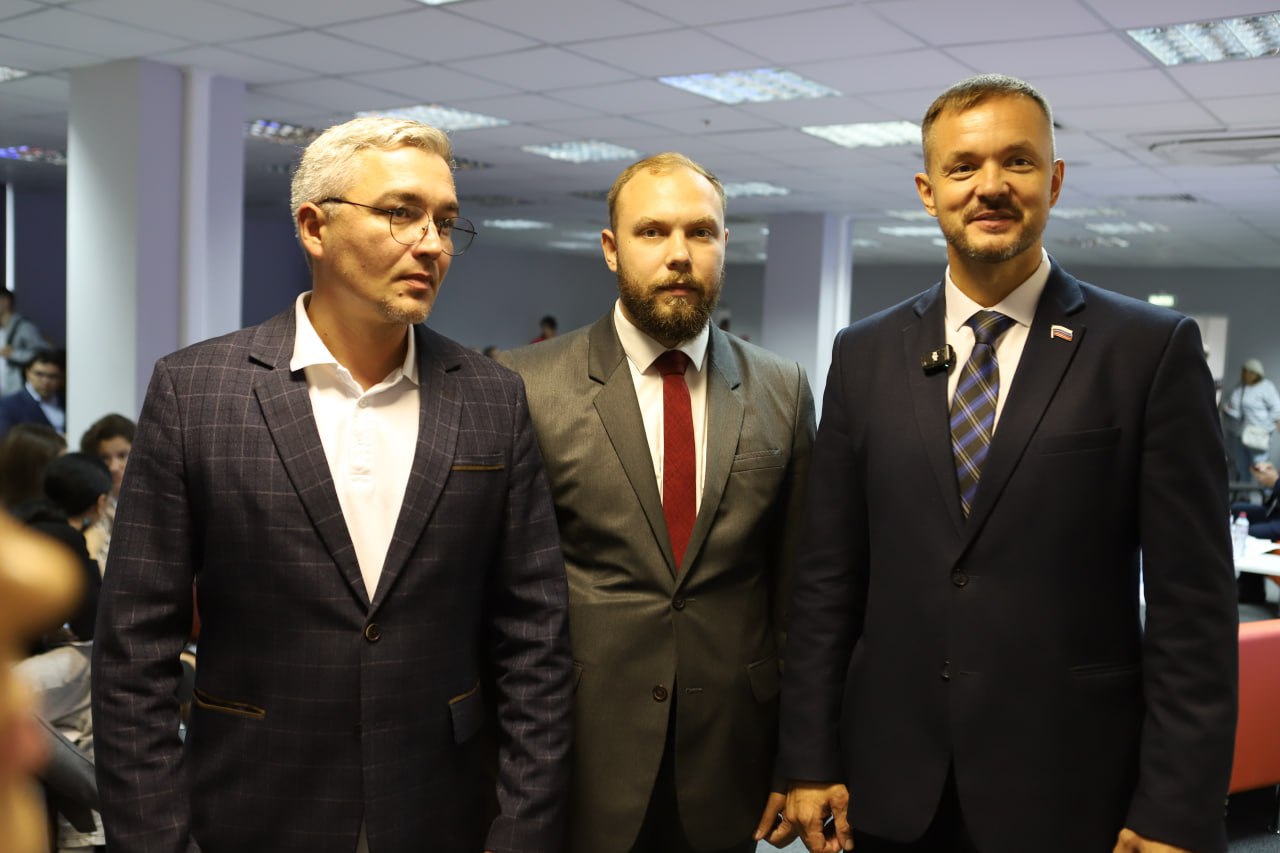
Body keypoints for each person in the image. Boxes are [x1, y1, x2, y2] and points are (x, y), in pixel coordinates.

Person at [779, 74, 1237, 853]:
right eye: (962, 166)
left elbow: (1192, 607)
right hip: (890, 787)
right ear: (928, 191)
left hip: (1071, 789)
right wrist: (808, 756)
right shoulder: (864, 354)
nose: (990, 185)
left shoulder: (1148, 351)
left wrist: (1177, 807)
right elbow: (827, 580)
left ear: (1052, 180)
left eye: (1017, 161)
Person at [92, 115, 573, 853]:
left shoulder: (491, 396)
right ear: (315, 227)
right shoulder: (197, 391)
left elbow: (534, 639)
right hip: (253, 804)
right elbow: (132, 652)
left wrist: (521, 833)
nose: (432, 244)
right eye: (401, 213)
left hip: (442, 808)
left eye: (446, 222)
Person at [502, 152, 815, 853]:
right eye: (652, 231)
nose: (679, 254)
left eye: (700, 232)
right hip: (579, 748)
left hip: (733, 750)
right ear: (611, 248)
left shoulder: (784, 389)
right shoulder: (526, 384)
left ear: (724, 243)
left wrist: (799, 755)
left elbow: (799, 593)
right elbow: (501, 597)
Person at [78, 413, 136, 572]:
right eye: (105, 458)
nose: (113, 467)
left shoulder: (157, 500)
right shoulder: (89, 507)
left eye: (122, 455)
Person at [1221, 358, 1280, 481]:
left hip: (1258, 435)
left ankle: (1266, 492)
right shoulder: (1240, 388)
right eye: (1245, 371)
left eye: (1249, 372)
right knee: (1242, 468)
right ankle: (1245, 492)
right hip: (1240, 434)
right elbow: (1234, 408)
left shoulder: (1266, 387)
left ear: (1256, 373)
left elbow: (1276, 409)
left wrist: (1265, 428)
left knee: (1261, 468)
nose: (1246, 374)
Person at [0, 348, 66, 438]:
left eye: (52, 376)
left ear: (61, 377)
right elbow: (6, 440)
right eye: (39, 374)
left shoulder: (67, 402)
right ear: (27, 373)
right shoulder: (8, 405)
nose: (45, 381)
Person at [0, 289, 47, 397]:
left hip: (16, 392)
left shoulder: (24, 327)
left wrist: (14, 354)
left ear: (5, 301)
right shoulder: (3, 330)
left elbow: (42, 354)